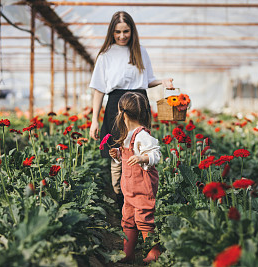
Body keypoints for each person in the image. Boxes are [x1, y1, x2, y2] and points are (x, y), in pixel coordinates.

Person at [89, 11, 173, 212]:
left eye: (126, 31)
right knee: (118, 153)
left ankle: (142, 196)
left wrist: (163, 81)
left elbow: (147, 80)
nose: (122, 36)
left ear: (132, 31)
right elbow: (99, 89)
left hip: (139, 102)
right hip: (117, 105)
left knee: (140, 147)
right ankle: (122, 199)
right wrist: (94, 120)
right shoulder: (105, 55)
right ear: (112, 32)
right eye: (117, 32)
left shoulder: (140, 51)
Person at [109, 92, 161, 263]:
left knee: (144, 219)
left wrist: (143, 158)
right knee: (128, 220)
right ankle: (128, 253)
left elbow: (156, 154)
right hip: (129, 190)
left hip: (142, 188)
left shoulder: (142, 136)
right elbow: (126, 159)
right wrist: (117, 154)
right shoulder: (128, 135)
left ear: (122, 114)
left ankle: (154, 252)